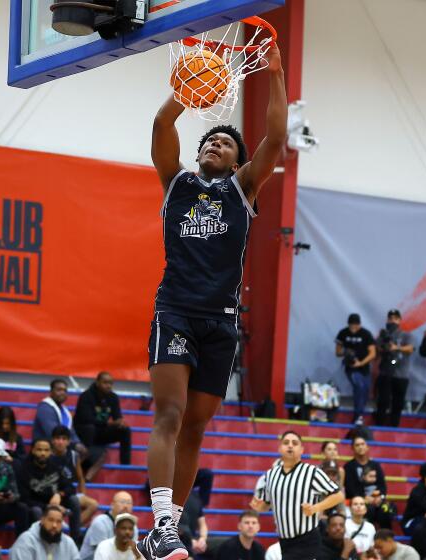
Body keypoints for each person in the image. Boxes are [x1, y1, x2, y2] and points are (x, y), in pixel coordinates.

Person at [136, 40, 286, 560]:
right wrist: (185, 92)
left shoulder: (245, 188)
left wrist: (277, 73)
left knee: (195, 427)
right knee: (170, 414)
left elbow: (276, 138)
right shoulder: (176, 182)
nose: (216, 144)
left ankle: (168, 530)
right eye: (211, 140)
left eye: (225, 142)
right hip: (176, 310)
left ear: (239, 161)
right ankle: (159, 523)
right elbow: (161, 129)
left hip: (221, 323)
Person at [250, 430, 343, 560]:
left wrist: (316, 508)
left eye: (295, 443)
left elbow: (338, 495)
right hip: (284, 541)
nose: (290, 445)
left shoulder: (311, 472)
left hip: (307, 538)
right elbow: (266, 506)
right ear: (280, 448)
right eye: (286, 442)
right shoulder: (271, 475)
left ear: (301, 450)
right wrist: (258, 507)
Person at [15, 438, 81, 542]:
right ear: (32, 450)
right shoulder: (24, 468)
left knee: (74, 500)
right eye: (39, 450)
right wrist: (49, 507)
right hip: (36, 505)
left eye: (46, 450)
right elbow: (24, 498)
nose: (43, 453)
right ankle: (42, 541)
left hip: (54, 501)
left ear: (50, 452)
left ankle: (76, 540)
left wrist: (60, 494)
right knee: (36, 511)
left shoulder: (56, 465)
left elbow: (70, 487)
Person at [74, 371, 131, 480]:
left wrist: (120, 422)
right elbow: (86, 419)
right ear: (97, 382)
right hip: (83, 431)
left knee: (125, 431)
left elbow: (116, 417)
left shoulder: (113, 397)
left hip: (101, 431)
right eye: (105, 382)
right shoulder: (86, 396)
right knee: (89, 428)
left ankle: (125, 465)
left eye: (110, 383)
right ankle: (87, 462)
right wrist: (109, 423)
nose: (108, 385)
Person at [50, 425, 100, 525]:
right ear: (52, 440)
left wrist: (82, 494)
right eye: (58, 438)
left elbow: (81, 478)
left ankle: (71, 527)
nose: (60, 442)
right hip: (51, 494)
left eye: (64, 439)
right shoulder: (47, 455)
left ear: (68, 442)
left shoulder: (73, 455)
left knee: (93, 504)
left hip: (68, 493)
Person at [374, 309, 415, 427]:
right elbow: (376, 352)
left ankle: (393, 427)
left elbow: (410, 349)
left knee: (398, 403)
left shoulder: (406, 335)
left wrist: (396, 348)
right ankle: (379, 426)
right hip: (385, 372)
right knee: (382, 402)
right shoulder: (382, 335)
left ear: (400, 320)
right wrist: (382, 347)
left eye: (395, 318)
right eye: (390, 318)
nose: (392, 321)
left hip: (401, 374)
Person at [336, 313, 377, 424]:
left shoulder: (366, 334)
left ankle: (358, 415)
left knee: (365, 390)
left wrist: (362, 362)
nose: (353, 328)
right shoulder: (343, 333)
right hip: (351, 366)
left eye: (355, 325)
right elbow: (338, 352)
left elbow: (373, 353)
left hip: (364, 366)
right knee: (359, 386)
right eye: (351, 325)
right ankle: (358, 416)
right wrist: (346, 352)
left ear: (359, 324)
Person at [33, 378, 86, 454]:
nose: (62, 393)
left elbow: (71, 432)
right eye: (59, 390)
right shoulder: (45, 408)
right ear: (51, 392)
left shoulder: (64, 410)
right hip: (46, 449)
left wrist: (77, 443)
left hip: (62, 445)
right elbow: (52, 433)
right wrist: (74, 445)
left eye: (65, 391)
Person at [9, 505, 80, 560]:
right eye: (51, 520)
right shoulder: (26, 541)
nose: (54, 525)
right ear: (42, 520)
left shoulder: (68, 543)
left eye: (58, 522)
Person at [81, 491, 136, 560]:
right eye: (122, 502)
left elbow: (130, 550)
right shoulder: (100, 522)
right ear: (112, 505)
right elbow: (100, 552)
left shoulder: (133, 526)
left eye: (129, 503)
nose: (126, 506)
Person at [344, 437, 387, 501]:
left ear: (367, 447)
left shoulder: (375, 465)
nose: (360, 447)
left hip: (375, 500)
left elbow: (382, 486)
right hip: (357, 502)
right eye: (357, 445)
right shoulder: (348, 467)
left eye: (362, 444)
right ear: (352, 448)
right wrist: (364, 498)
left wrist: (380, 496)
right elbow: (350, 489)